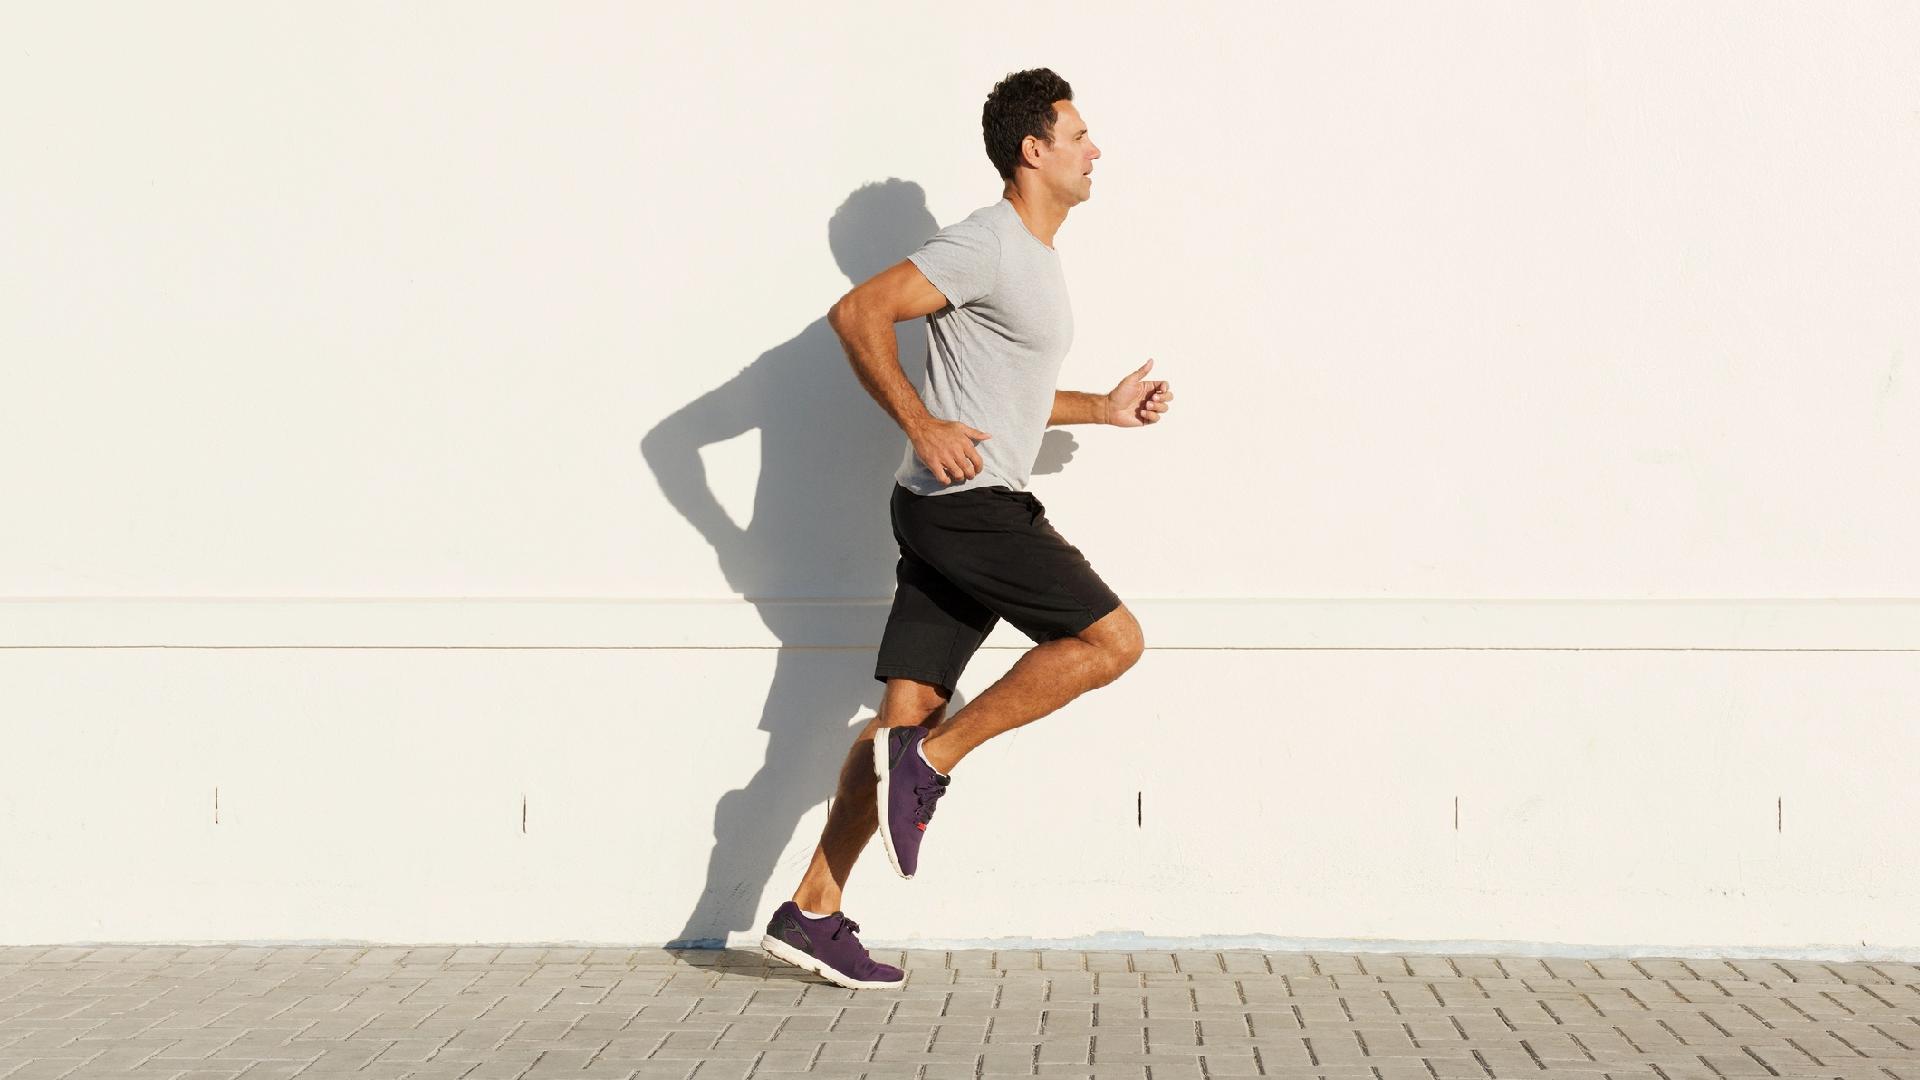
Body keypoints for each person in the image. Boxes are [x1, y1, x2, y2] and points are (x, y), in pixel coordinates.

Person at [759, 68, 1173, 990]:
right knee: (1111, 640)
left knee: (904, 710)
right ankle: (932, 763)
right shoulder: (985, 243)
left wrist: (1102, 410)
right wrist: (920, 424)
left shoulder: (1033, 257)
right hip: (972, 508)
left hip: (947, 510)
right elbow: (857, 312)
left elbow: (1006, 400)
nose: (1094, 150)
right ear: (1034, 150)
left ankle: (813, 910)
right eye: (1079, 136)